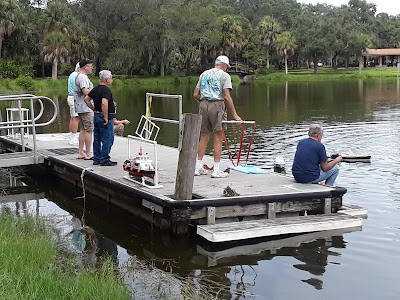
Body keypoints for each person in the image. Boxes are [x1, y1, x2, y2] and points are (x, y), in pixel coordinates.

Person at [193, 55, 242, 178]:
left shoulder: (204, 74)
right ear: (224, 65)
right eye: (227, 67)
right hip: (217, 105)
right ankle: (216, 170)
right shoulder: (225, 76)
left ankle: (197, 168)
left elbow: (195, 94)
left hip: (203, 104)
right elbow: (226, 96)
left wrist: (205, 103)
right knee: (218, 137)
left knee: (203, 136)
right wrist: (235, 115)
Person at [84, 70, 117, 166]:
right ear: (107, 80)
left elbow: (86, 99)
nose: (112, 80)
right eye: (111, 78)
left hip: (96, 116)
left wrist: (94, 109)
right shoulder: (106, 90)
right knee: (108, 138)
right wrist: (106, 117)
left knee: (97, 138)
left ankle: (97, 158)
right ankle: (104, 159)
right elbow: (104, 102)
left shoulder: (95, 89)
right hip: (104, 117)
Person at [74, 59, 94, 160]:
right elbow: (85, 90)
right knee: (89, 130)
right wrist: (96, 94)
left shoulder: (78, 76)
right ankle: (88, 153)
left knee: (82, 130)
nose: (92, 68)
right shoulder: (83, 77)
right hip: (86, 108)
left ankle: (81, 152)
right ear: (85, 67)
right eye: (90, 66)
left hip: (80, 107)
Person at [67, 63, 80, 145]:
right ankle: (73, 139)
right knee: (76, 118)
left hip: (71, 97)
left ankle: (72, 137)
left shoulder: (72, 74)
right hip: (75, 98)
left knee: (73, 118)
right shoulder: (77, 76)